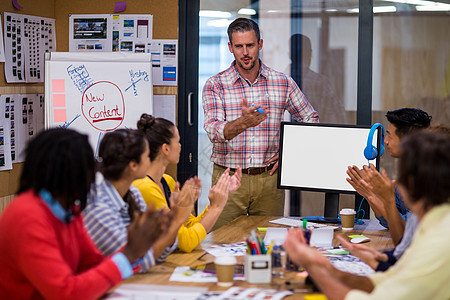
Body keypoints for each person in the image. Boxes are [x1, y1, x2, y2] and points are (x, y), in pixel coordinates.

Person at [0, 128, 170, 299]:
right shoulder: (27, 216)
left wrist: (133, 250)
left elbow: (92, 263)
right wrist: (129, 253)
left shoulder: (68, 210)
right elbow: (66, 292)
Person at [284, 131, 450, 300]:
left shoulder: (440, 240)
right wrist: (329, 269)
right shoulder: (431, 225)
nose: (394, 182)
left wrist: (313, 267)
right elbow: (387, 280)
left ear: (412, 184)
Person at [202, 18, 319, 229]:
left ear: (260, 44)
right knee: (221, 243)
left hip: (269, 180)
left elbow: (310, 118)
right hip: (228, 179)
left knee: (269, 244)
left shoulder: (282, 82)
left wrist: (288, 152)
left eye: (250, 45)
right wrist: (243, 123)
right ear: (230, 47)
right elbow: (213, 130)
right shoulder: (215, 85)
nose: (245, 52)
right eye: (239, 46)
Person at [83, 129, 200, 272]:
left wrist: (174, 217)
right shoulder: (99, 208)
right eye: (146, 156)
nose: (150, 161)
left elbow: (158, 251)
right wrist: (177, 219)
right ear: (133, 166)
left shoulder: (133, 193)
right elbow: (134, 263)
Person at [133, 114, 242, 252]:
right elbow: (185, 241)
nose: (180, 146)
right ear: (165, 149)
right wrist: (216, 207)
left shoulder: (167, 181)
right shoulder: (145, 187)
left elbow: (188, 225)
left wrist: (217, 199)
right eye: (177, 142)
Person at [346, 108, 431, 246]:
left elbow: (407, 234)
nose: (385, 141)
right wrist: (370, 194)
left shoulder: (425, 178)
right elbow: (389, 222)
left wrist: (373, 195)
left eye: (389, 135)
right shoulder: (407, 173)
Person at [289, 33, 346, 124]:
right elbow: (338, 114)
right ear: (310, 54)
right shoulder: (320, 82)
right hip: (316, 133)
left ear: (289, 54)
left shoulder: (277, 82)